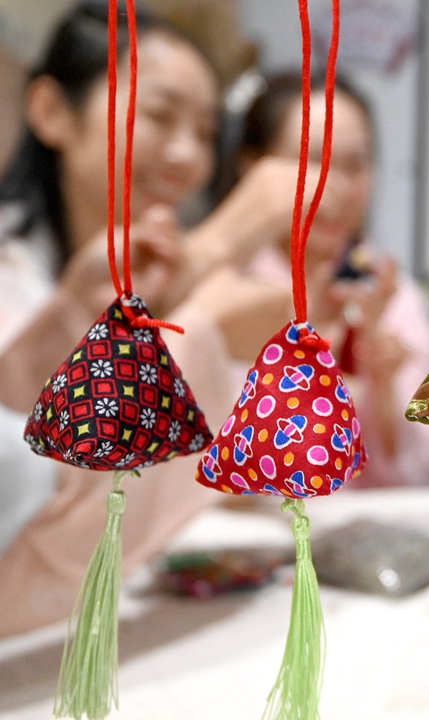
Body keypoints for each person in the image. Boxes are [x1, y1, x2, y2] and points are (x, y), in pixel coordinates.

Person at [0, 1, 244, 638]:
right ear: (52, 112)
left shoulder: (190, 278)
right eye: (159, 115)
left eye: (206, 129)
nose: (188, 156)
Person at [218, 71, 429, 487]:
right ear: (251, 169)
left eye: (356, 164)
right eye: (311, 161)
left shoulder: (389, 296)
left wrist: (383, 390)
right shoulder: (221, 286)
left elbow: (417, 476)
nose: (336, 186)